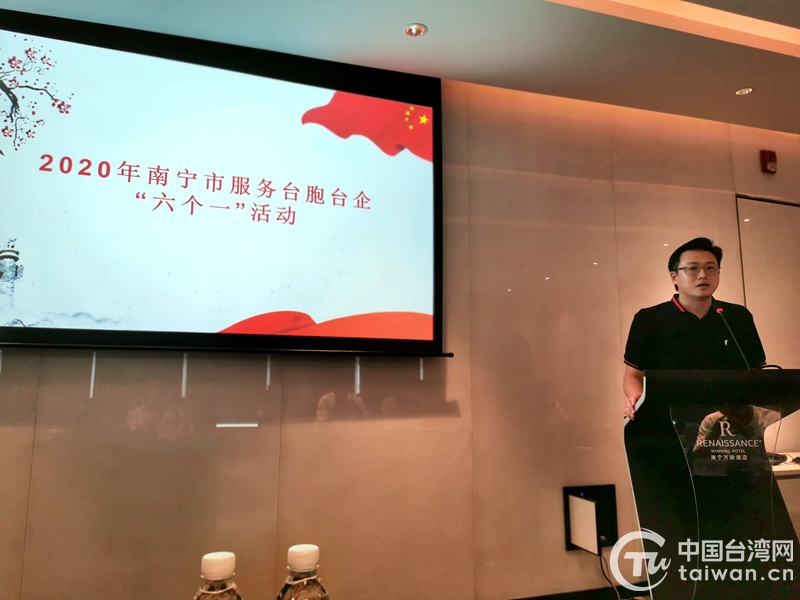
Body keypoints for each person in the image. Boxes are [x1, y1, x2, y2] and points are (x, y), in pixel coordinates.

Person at [623, 237, 766, 419]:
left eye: (710, 268)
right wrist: (637, 398)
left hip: (730, 423)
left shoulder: (737, 316)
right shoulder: (648, 319)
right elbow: (632, 376)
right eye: (692, 268)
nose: (703, 275)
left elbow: (756, 373)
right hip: (665, 421)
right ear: (674, 277)